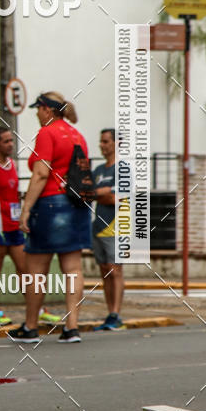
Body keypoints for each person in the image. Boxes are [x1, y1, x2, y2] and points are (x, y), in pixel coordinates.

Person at [10, 92, 91, 344]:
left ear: (47, 110)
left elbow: (41, 174)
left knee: (36, 269)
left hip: (50, 204)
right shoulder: (78, 135)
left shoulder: (47, 132)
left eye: (38, 109)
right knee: (73, 268)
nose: (36, 113)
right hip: (77, 205)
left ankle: (31, 326)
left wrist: (25, 210)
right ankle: (72, 327)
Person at [0, 126, 61, 328]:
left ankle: (39, 309)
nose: (10, 145)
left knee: (25, 269)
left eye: (11, 140)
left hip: (14, 227)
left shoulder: (13, 164)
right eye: (6, 141)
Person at [92, 128, 125, 330]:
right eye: (101, 141)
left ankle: (116, 313)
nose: (102, 145)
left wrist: (100, 193)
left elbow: (116, 198)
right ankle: (109, 313)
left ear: (115, 143)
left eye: (106, 141)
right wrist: (102, 193)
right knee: (104, 270)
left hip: (116, 226)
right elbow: (90, 193)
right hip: (98, 224)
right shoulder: (98, 171)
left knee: (115, 270)